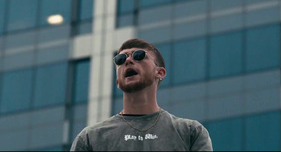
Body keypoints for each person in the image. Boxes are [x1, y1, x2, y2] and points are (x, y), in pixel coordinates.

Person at [70, 38, 213, 151]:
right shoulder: (91, 138)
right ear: (118, 82)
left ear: (160, 72)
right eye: (120, 59)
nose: (128, 60)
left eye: (139, 56)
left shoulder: (190, 132)